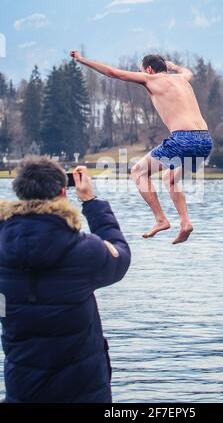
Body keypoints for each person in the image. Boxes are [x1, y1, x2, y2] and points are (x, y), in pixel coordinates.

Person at [0, 156, 131, 403]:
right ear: (63, 191)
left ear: (19, 192)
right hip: (82, 391)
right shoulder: (84, 250)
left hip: (22, 388)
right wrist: (91, 202)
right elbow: (120, 256)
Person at [70, 51, 213, 244]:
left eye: (141, 70)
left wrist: (81, 60)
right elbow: (188, 71)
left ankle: (161, 219)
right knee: (170, 178)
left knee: (138, 171)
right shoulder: (181, 78)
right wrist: (173, 66)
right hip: (205, 140)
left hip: (183, 139)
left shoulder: (150, 78)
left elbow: (113, 72)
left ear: (149, 69)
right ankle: (185, 222)